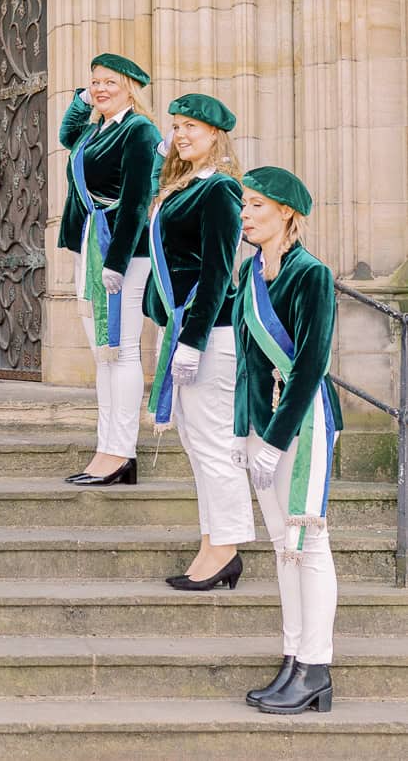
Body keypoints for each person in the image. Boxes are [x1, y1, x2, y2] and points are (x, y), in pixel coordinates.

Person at [234, 166, 342, 714]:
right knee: (282, 549)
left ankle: (316, 668)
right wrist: (242, 432)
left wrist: (275, 440)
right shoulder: (250, 273)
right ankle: (292, 657)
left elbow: (308, 366)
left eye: (256, 205)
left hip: (304, 425)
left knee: (308, 544)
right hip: (263, 428)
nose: (246, 213)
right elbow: (248, 364)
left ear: (286, 214)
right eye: (245, 205)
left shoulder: (310, 274)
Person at [145, 92, 255, 590]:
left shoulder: (219, 190)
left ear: (216, 134)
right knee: (196, 444)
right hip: (186, 329)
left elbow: (217, 271)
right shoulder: (182, 184)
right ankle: (212, 543)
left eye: (192, 126)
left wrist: (192, 340)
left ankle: (227, 548)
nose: (181, 133)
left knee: (214, 446)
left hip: (210, 334)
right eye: (176, 125)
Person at [58, 53, 158, 486]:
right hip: (90, 247)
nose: (99, 89)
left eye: (110, 84)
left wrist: (116, 262)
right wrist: (85, 101)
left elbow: (138, 200)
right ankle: (105, 448)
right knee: (103, 355)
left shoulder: (140, 131)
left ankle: (121, 452)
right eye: (94, 82)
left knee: (123, 349)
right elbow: (65, 134)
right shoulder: (95, 128)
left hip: (121, 254)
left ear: (130, 89)